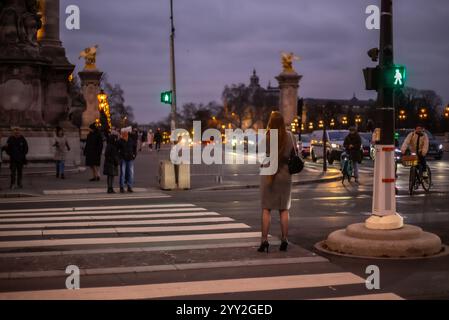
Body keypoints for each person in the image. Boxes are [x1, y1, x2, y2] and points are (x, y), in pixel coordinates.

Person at [258, 111, 297, 253]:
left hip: (269, 175)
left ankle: (264, 241)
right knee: (284, 209)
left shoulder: (266, 138)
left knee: (266, 209)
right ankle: (285, 239)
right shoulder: (290, 137)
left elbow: (261, 154)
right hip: (285, 175)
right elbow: (295, 153)